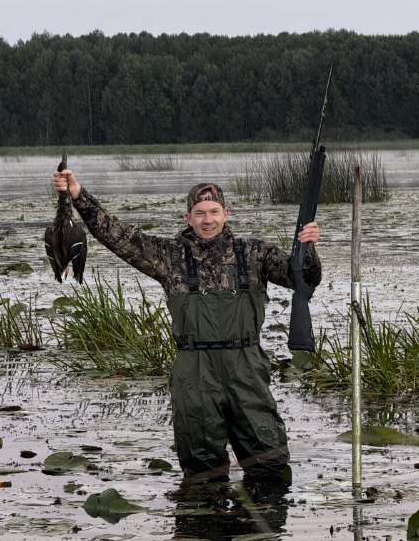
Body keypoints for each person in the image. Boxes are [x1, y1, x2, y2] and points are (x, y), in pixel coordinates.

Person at [52, 172, 321, 486]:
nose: (208, 220)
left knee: (268, 460)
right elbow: (116, 235)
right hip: (194, 371)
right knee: (201, 468)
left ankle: (262, 530)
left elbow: (302, 278)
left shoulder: (254, 253)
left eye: (214, 212)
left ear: (226, 214)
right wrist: (78, 194)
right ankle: (206, 525)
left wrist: (309, 248)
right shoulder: (170, 257)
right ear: (188, 218)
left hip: (246, 365)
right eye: (200, 213)